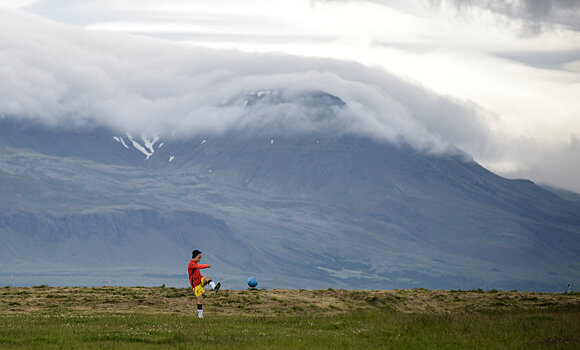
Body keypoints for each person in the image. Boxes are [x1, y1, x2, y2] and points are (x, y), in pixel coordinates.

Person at [188, 249, 221, 318]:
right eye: (199, 257)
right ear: (195, 256)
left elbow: (198, 266)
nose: (200, 259)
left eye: (201, 258)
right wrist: (206, 265)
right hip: (196, 285)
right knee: (200, 299)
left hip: (200, 280)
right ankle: (200, 316)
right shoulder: (191, 264)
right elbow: (198, 266)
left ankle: (214, 287)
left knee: (207, 278)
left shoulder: (195, 263)